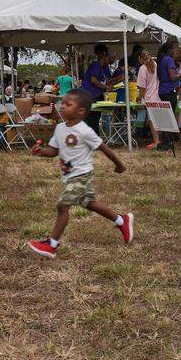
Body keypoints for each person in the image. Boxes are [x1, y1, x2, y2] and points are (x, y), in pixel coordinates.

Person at [27, 90, 134, 258]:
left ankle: (51, 245)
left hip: (81, 175)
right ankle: (122, 221)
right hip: (69, 176)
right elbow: (54, 151)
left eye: (68, 104)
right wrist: (41, 152)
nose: (62, 107)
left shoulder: (85, 131)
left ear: (81, 111)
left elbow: (104, 148)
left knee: (63, 206)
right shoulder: (60, 128)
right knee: (90, 203)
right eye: (62, 103)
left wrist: (119, 165)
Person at [79, 45, 121, 134]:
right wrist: (106, 87)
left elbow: (109, 81)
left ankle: (95, 139)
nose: (111, 60)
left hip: (96, 96)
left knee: (95, 119)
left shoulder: (105, 68)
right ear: (104, 55)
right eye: (110, 57)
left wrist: (121, 78)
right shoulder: (95, 65)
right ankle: (91, 140)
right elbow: (93, 80)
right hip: (88, 95)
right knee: (91, 119)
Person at [155, 43, 181, 150]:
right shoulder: (169, 60)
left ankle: (164, 141)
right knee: (170, 117)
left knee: (166, 116)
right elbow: (172, 77)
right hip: (169, 90)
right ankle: (168, 142)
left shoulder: (162, 59)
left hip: (162, 90)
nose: (177, 52)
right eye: (175, 50)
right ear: (170, 50)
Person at [134, 51, 161, 148]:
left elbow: (142, 87)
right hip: (158, 95)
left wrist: (139, 98)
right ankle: (159, 140)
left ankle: (156, 141)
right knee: (157, 120)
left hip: (149, 97)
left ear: (140, 59)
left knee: (152, 121)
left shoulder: (142, 68)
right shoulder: (155, 64)